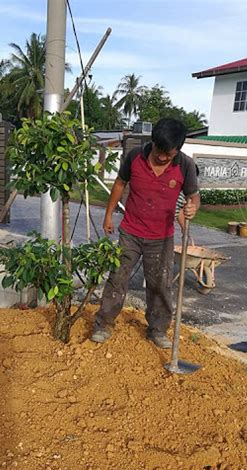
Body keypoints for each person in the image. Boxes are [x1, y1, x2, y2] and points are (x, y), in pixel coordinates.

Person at [91, 118, 200, 348]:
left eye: (168, 154)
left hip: (161, 238)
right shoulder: (135, 156)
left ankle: (158, 330)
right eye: (159, 151)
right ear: (153, 142)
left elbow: (193, 195)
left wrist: (193, 206)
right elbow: (120, 184)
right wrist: (108, 215)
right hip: (130, 231)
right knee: (117, 279)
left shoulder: (185, 165)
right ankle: (104, 324)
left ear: (177, 150)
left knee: (160, 285)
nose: (162, 158)